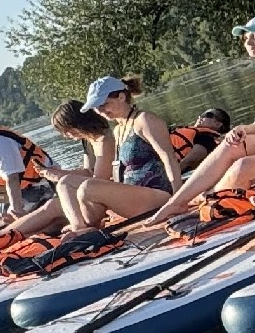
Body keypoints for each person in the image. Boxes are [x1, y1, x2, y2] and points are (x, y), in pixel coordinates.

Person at [148, 17, 255, 226]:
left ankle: (209, 198)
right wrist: (243, 129)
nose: (249, 42)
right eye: (246, 38)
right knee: (231, 144)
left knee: (242, 167)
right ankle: (177, 201)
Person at [53, 75, 181, 230]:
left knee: (88, 187)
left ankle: (82, 230)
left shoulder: (144, 120)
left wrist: (178, 199)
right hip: (133, 196)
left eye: (104, 104)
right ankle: (79, 227)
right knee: (66, 183)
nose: (101, 111)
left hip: (158, 194)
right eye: (97, 107)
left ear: (121, 97)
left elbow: (168, 158)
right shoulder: (118, 130)